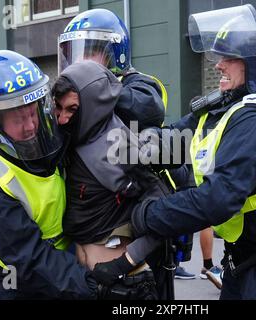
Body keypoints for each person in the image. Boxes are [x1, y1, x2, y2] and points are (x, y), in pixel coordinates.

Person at [102, 4, 256, 299]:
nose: (218, 65)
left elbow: (218, 199)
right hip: (243, 262)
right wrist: (121, 149)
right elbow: (173, 142)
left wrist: (147, 216)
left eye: (229, 57)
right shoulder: (226, 109)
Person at [0, 50, 98, 299]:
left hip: (54, 263)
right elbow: (27, 256)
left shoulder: (42, 143)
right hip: (7, 279)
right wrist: (95, 288)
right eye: (18, 118)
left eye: (33, 112)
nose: (31, 125)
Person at [52, 60, 169, 300]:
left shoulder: (121, 146)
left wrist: (125, 262)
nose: (62, 119)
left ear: (93, 105)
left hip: (126, 285)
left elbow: (166, 213)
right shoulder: (68, 141)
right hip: (87, 281)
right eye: (58, 108)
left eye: (72, 109)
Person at [58, 8, 167, 132]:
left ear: (114, 53)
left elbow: (147, 108)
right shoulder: (70, 91)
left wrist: (91, 91)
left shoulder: (137, 83)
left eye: (89, 52)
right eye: (72, 54)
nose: (78, 60)